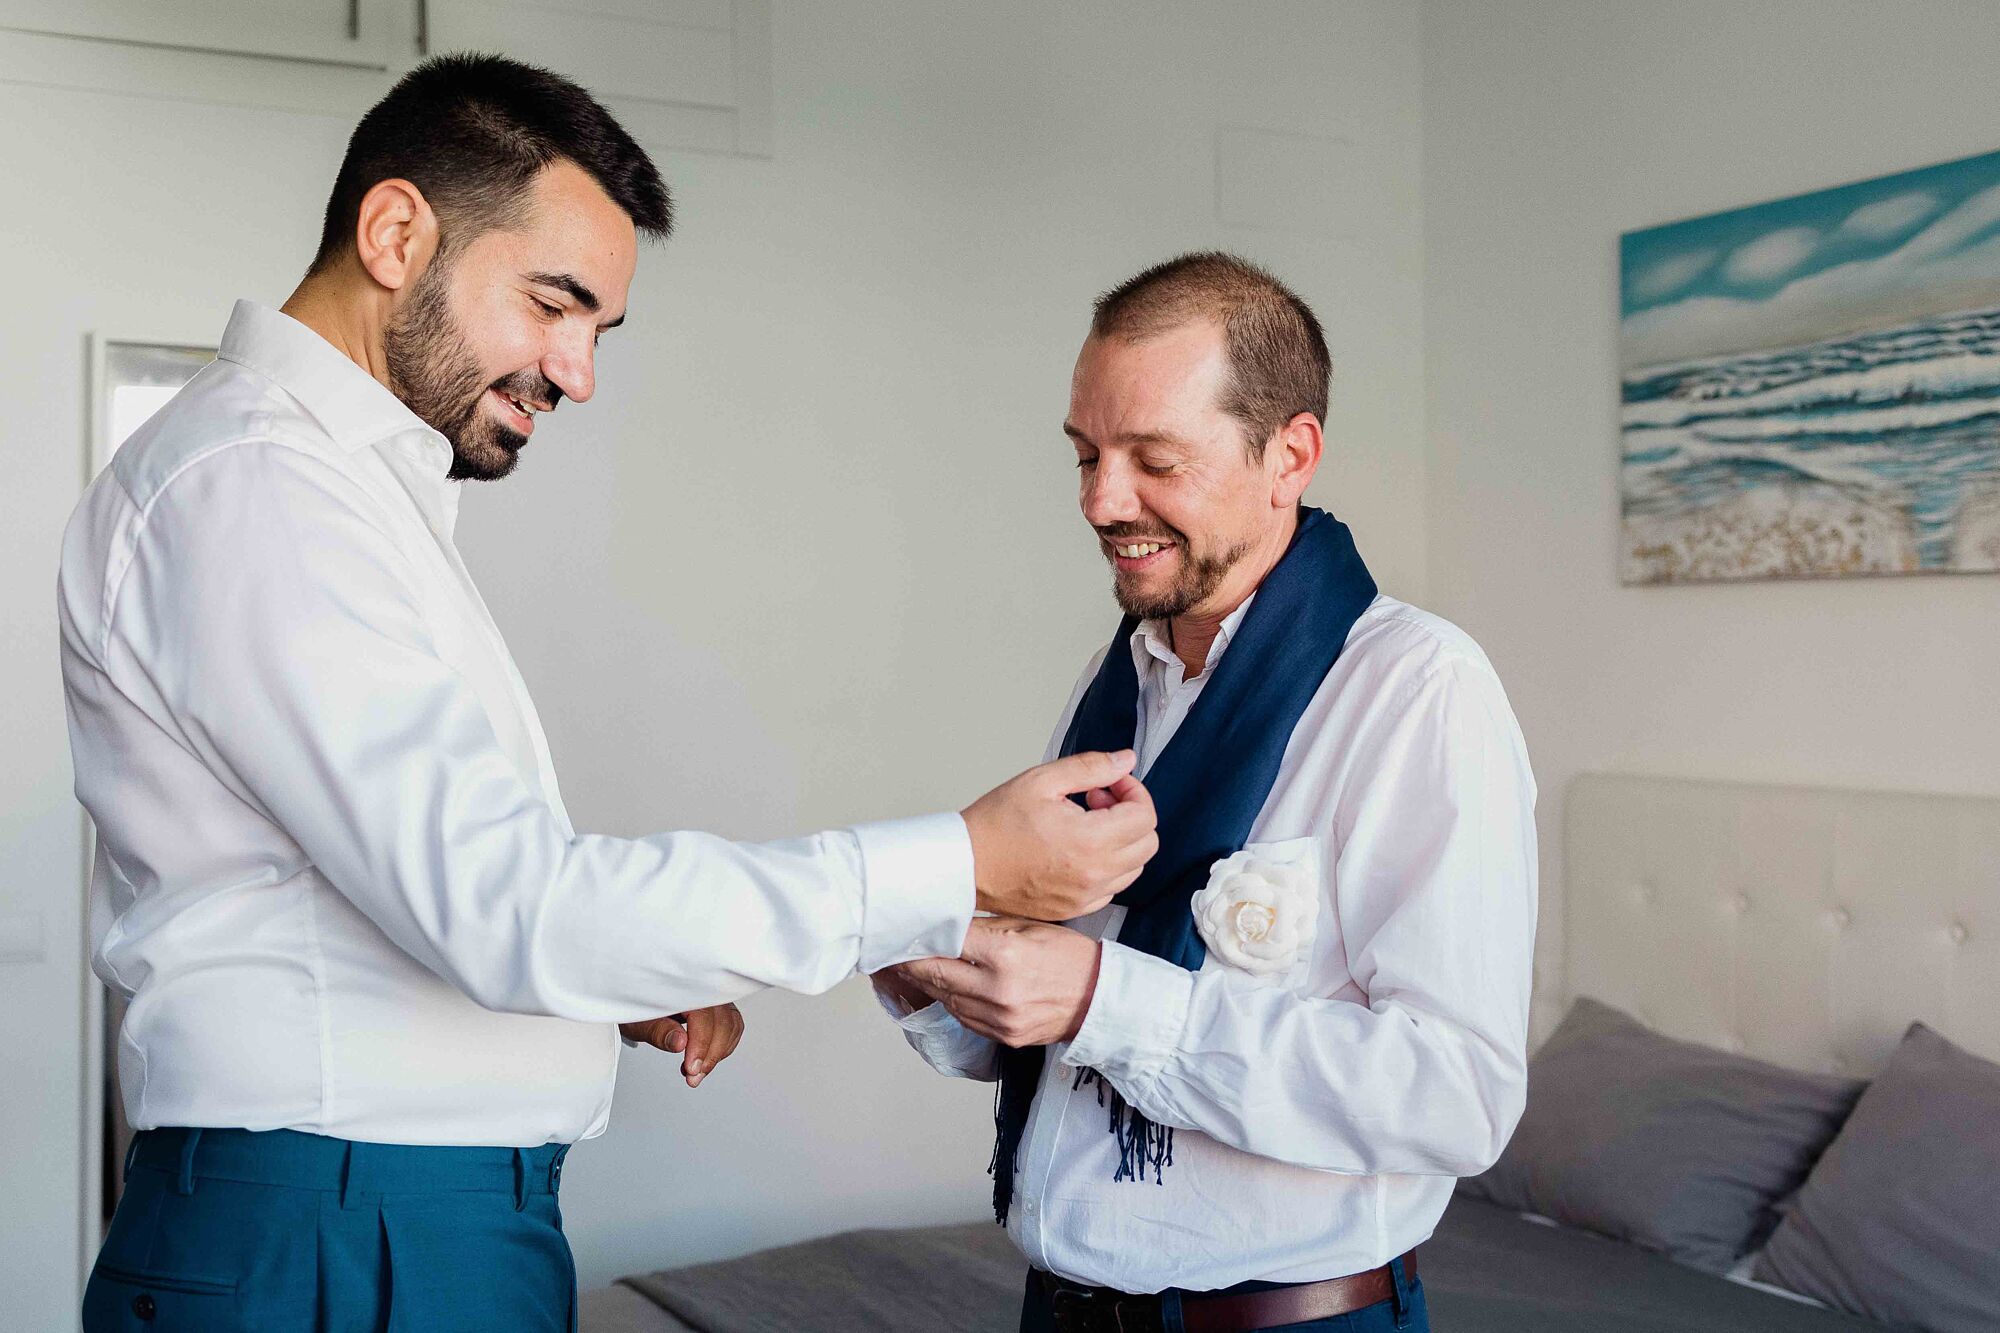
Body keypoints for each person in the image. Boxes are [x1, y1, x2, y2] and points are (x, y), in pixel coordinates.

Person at [58, 55, 1155, 1333]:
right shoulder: (260, 488)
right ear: (397, 232)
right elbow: (508, 907)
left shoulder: (330, 491)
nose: (575, 371)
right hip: (338, 1236)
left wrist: (602, 978)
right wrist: (957, 861)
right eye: (552, 303)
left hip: (383, 1223)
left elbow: (404, 885)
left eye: (597, 330)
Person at [874, 253, 1537, 1333]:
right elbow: (1059, 1039)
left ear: (1290, 455)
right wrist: (932, 973)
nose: (1100, 500)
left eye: (1152, 459)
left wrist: (1103, 996)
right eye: (1085, 454)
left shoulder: (1418, 692)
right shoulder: (1118, 687)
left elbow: (1453, 1097)